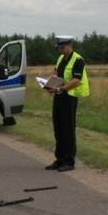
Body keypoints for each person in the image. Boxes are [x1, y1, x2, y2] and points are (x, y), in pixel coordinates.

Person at [44, 35, 90, 172]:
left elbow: (76, 80)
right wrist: (48, 85)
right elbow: (56, 73)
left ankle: (69, 161)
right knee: (58, 128)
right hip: (59, 96)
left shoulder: (78, 60)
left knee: (68, 129)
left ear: (71, 46)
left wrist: (61, 88)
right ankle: (60, 159)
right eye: (59, 47)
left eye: (63, 47)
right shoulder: (60, 58)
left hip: (70, 97)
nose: (61, 50)